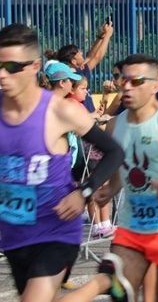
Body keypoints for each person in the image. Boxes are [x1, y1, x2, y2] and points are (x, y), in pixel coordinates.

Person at [63, 53, 158, 302]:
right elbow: (126, 165)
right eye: (124, 80)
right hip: (132, 225)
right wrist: (110, 190)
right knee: (119, 291)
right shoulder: (115, 125)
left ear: (155, 85)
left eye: (137, 81)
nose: (127, 86)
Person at [0, 24, 124, 301]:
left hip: (56, 230)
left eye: (10, 66)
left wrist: (85, 192)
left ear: (34, 66)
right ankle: (106, 280)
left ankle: (100, 282)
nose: (1, 74)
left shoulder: (59, 111)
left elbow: (114, 152)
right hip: (14, 235)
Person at [56, 20, 115, 113]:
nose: (81, 53)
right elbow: (97, 57)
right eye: (79, 53)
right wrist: (108, 35)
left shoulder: (73, 71)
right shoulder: (78, 75)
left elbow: (90, 56)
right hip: (85, 118)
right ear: (73, 61)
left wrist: (101, 36)